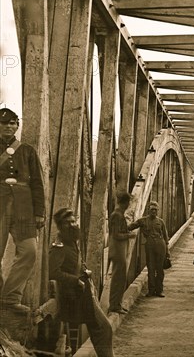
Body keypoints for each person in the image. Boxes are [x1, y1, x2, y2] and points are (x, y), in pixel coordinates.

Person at [49, 208, 114, 357]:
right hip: (74, 295)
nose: (73, 225)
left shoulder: (70, 241)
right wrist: (76, 280)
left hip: (82, 293)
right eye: (68, 222)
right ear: (60, 226)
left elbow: (74, 262)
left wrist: (84, 270)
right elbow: (53, 272)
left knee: (101, 329)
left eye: (73, 221)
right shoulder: (59, 246)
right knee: (103, 329)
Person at [0, 107, 45, 313]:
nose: (9, 126)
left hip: (24, 209)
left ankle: (10, 297)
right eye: (4, 123)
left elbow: (37, 183)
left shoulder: (27, 151)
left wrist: (39, 213)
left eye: (13, 123)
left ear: (17, 125)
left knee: (29, 252)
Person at [128, 201, 170, 297]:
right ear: (148, 210)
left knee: (160, 269)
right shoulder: (143, 220)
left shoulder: (161, 222)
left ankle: (159, 290)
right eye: (152, 210)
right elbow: (131, 226)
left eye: (155, 210)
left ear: (158, 211)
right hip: (149, 246)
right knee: (151, 268)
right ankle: (151, 291)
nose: (154, 212)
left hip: (160, 245)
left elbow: (165, 237)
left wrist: (167, 251)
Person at [107, 192, 136, 314]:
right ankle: (114, 305)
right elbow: (117, 235)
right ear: (125, 202)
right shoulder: (117, 215)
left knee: (119, 278)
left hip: (119, 250)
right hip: (118, 251)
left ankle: (116, 304)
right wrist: (130, 235)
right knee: (118, 278)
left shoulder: (118, 215)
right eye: (128, 202)